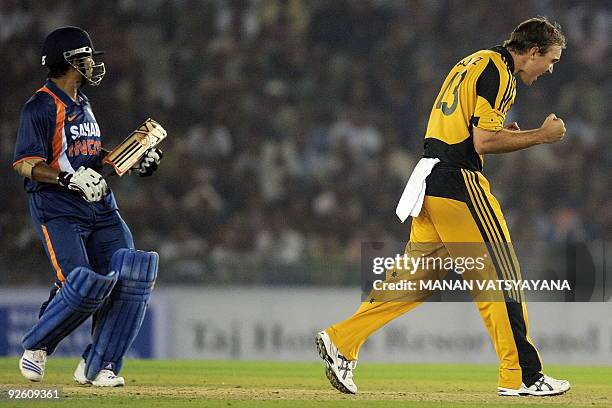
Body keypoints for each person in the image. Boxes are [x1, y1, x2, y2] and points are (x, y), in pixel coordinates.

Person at [316, 17, 571, 397]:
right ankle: (522, 375)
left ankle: (342, 340)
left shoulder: (474, 61)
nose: (550, 69)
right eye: (550, 60)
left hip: (430, 177)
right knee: (502, 278)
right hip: (458, 182)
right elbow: (483, 142)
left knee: (416, 281)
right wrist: (541, 136)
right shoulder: (502, 73)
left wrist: (505, 136)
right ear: (532, 51)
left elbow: (467, 130)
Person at [13, 26, 162, 387]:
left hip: (100, 206)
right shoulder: (41, 105)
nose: (94, 63)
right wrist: (68, 179)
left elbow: (91, 156)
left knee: (134, 274)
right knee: (83, 285)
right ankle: (37, 346)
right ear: (70, 60)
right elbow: (24, 163)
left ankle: (99, 365)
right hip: (60, 207)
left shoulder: (83, 102)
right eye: (87, 57)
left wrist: (133, 158)